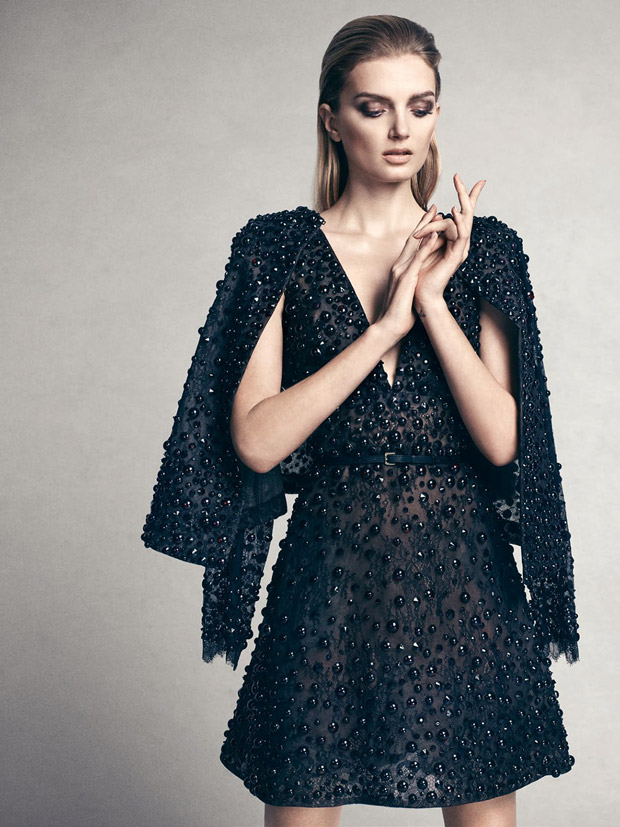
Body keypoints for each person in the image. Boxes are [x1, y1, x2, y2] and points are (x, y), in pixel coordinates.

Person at [142, 13, 578, 827]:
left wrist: (431, 303)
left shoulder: (485, 251)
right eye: (375, 107)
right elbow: (256, 439)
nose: (401, 128)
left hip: (466, 580)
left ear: (438, 114)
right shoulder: (276, 248)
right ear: (332, 120)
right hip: (327, 576)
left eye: (421, 106)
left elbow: (504, 439)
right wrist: (382, 330)